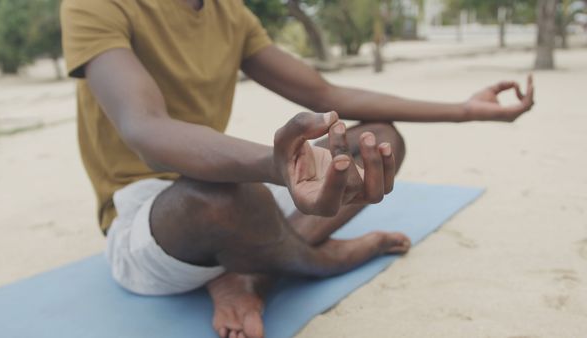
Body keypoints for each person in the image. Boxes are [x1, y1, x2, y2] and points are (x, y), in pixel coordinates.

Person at [60, 0, 534, 337]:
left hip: (241, 193)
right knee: (223, 194)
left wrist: (466, 109)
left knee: (379, 140)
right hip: (152, 219)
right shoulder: (95, 4)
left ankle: (250, 277)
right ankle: (320, 260)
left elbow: (325, 96)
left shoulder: (230, 12)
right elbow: (147, 132)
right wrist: (275, 165)